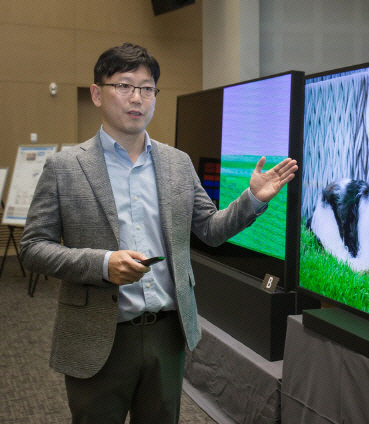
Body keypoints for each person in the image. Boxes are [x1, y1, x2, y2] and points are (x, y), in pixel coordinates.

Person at [19, 42, 297, 424]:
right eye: (124, 85)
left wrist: (251, 199)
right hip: (99, 333)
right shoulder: (65, 168)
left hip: (168, 333)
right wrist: (101, 264)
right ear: (98, 94)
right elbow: (33, 248)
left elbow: (211, 231)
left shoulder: (176, 163)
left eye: (147, 88)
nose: (137, 98)